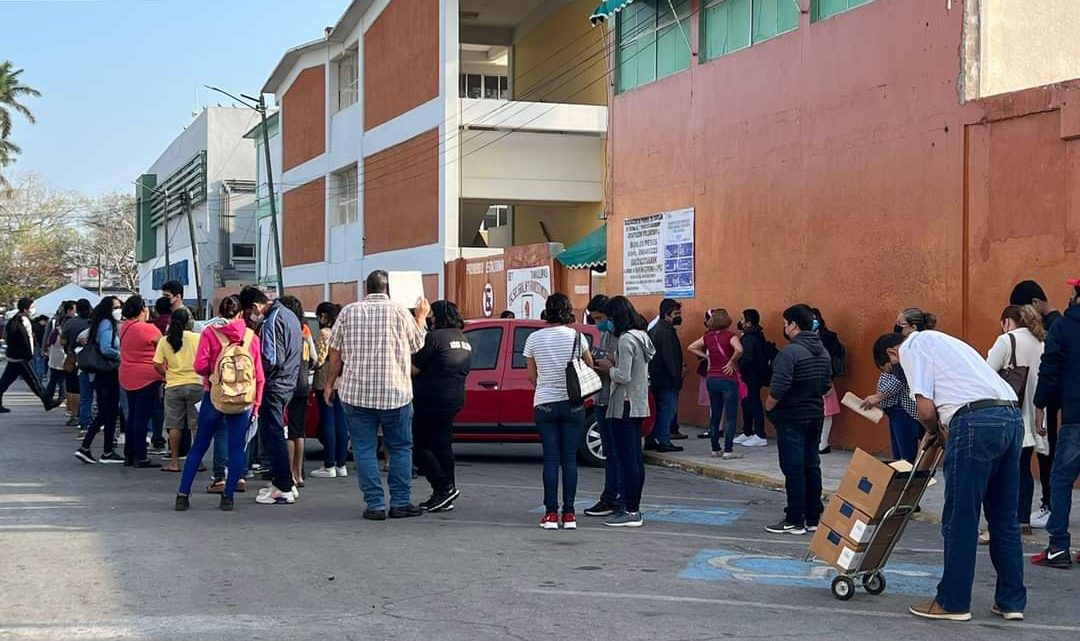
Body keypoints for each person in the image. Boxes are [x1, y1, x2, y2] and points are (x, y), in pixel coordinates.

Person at [873, 326, 1025, 622]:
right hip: (1010, 416)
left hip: (973, 422)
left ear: (892, 353)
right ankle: (1011, 602)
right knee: (1004, 519)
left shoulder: (911, 348)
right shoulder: (945, 342)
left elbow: (926, 411)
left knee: (960, 518)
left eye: (890, 369)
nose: (896, 374)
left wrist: (933, 432)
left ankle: (952, 602)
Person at [325, 271, 428, 519]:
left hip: (356, 392)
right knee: (401, 447)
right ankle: (400, 502)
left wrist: (330, 383)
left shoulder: (349, 312)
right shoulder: (401, 312)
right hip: (396, 393)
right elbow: (418, 346)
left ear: (366, 288)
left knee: (363, 448)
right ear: (388, 289)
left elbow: (335, 352)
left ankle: (375, 505)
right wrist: (421, 318)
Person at [174, 298, 266, 512]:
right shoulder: (251, 337)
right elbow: (259, 375)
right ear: (240, 314)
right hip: (242, 398)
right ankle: (228, 496)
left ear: (219, 312)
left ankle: (183, 494)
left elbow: (200, 366)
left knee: (199, 447)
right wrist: (257, 404)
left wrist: (215, 375)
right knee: (236, 448)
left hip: (214, 396)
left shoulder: (210, 333)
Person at [524, 293, 592, 530]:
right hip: (572, 403)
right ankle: (570, 514)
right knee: (569, 459)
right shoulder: (577, 337)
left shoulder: (534, 338)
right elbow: (589, 366)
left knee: (551, 459)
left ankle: (551, 514)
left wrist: (546, 385)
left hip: (545, 402)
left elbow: (531, 375)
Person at [764, 304, 831, 536]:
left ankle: (794, 518)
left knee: (793, 468)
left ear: (793, 325)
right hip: (815, 413)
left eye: (785, 324)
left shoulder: (790, 353)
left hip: (792, 416)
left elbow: (779, 386)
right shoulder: (823, 352)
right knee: (811, 465)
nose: (785, 328)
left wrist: (769, 407)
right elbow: (826, 385)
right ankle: (813, 516)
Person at [1031, 278, 1080, 569]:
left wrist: (1040, 405)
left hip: (1075, 415)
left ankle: (1059, 547)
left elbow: (1049, 368)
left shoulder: (1063, 327)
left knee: (1061, 480)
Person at [984, 305, 1045, 539]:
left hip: (1009, 414)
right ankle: (1022, 520)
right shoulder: (1040, 341)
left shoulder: (1006, 340)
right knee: (1024, 470)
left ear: (1007, 321)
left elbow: (987, 373)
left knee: (1003, 472)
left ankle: (1000, 524)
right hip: (1035, 414)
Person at [594, 296, 654, 527]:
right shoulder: (642, 337)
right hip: (638, 403)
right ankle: (633, 506)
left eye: (608, 318)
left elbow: (623, 376)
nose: (607, 323)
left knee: (627, 458)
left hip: (624, 404)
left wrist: (610, 368)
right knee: (635, 459)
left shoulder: (626, 339)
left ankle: (631, 509)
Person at [240, 287, 302, 505]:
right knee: (276, 434)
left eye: (249, 313)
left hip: (275, 386)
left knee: (273, 435)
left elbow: (273, 358)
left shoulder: (272, 320)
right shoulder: (289, 315)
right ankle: (285, 482)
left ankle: (282, 485)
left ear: (256, 306)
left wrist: (256, 376)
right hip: (289, 382)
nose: (251, 318)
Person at [1010, 280, 1062, 530]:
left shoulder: (1052, 328)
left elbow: (1050, 370)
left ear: (1035, 304)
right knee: (1044, 451)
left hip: (1051, 401)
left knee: (1047, 452)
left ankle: (1049, 504)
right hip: (1051, 400)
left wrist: (1041, 402)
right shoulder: (1054, 325)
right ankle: (1048, 504)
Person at [412, 300, 472, 512]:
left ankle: (443, 487)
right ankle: (446, 494)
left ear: (436, 317)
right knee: (443, 446)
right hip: (453, 400)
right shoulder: (462, 338)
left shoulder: (435, 338)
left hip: (431, 400)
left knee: (419, 448)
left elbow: (413, 368)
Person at [584, 295, 624, 518]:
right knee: (610, 453)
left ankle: (617, 498)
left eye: (599, 318)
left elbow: (623, 369)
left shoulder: (624, 337)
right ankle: (609, 496)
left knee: (617, 454)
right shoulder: (605, 333)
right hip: (601, 397)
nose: (597, 323)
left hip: (614, 400)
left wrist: (607, 366)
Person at [154, 307, 206, 474]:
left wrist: (166, 374)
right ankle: (198, 461)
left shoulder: (165, 341)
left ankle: (174, 461)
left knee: (174, 426)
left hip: (173, 385)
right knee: (195, 426)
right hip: (196, 384)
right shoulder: (198, 338)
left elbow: (156, 363)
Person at [74, 297, 124, 464]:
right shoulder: (107, 324)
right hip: (107, 372)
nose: (119, 310)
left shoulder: (99, 323)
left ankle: (105, 450)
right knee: (107, 412)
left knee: (108, 413)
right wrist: (120, 355)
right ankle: (90, 447)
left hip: (101, 373)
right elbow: (106, 348)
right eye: (116, 307)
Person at [689, 308, 744, 459]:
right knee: (731, 416)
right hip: (727, 378)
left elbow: (691, 347)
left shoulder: (707, 336)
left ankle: (715, 448)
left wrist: (707, 358)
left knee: (716, 415)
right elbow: (739, 350)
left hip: (711, 378)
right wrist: (732, 362)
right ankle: (728, 450)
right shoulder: (730, 336)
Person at [117, 296, 164, 467]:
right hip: (147, 376)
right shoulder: (148, 329)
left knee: (132, 416)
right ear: (143, 309)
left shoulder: (124, 327)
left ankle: (129, 454)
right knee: (142, 417)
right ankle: (140, 455)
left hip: (127, 374)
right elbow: (163, 349)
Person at [279, 295, 314, 488]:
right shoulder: (305, 331)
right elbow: (315, 359)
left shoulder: (284, 329)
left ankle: (289, 474)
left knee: (287, 432)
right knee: (299, 431)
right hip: (303, 385)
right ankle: (298, 473)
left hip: (287, 384)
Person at [310, 302, 349, 479]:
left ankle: (329, 464)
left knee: (327, 422)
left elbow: (319, 359)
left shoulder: (325, 333)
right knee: (341, 423)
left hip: (324, 381)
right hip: (342, 382)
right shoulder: (344, 332)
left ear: (325, 316)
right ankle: (342, 464)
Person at [0, 297, 58, 413]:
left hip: (15, 356)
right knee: (34, 380)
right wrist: (27, 354)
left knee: (5, 382)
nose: (33, 309)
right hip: (21, 357)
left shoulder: (16, 320)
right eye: (32, 307)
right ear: (26, 309)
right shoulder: (22, 321)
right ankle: (48, 401)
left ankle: (47, 401)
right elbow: (24, 339)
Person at [646, 298, 685, 453]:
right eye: (676, 313)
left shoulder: (655, 329)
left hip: (655, 378)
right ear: (666, 314)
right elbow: (671, 359)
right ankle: (664, 441)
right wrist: (677, 379)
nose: (678, 316)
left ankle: (651, 439)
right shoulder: (666, 332)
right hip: (666, 379)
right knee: (667, 411)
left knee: (657, 411)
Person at [735, 309, 770, 447]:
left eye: (742, 319)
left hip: (751, 375)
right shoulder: (756, 335)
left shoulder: (750, 338)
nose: (741, 322)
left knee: (753, 402)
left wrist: (739, 368)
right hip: (752, 375)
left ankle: (760, 434)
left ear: (748, 323)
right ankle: (748, 431)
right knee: (746, 402)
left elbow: (748, 358)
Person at [812, 308, 845, 454]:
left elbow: (833, 359)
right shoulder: (802, 337)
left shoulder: (827, 337)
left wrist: (829, 379)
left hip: (824, 377)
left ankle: (823, 442)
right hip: (810, 378)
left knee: (826, 411)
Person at [62, 299, 93, 431]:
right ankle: (88, 416)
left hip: (74, 357)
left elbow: (62, 341)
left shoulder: (70, 322)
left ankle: (75, 415)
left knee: (74, 389)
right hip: (92, 359)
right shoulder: (94, 323)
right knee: (90, 392)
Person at [43, 302, 74, 415]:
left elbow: (48, 339)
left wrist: (45, 349)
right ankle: (60, 397)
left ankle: (51, 397)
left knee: (56, 378)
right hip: (62, 356)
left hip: (55, 356)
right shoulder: (62, 327)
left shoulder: (55, 325)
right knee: (62, 378)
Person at [31, 313, 48, 381]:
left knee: (34, 361)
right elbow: (41, 337)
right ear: (43, 320)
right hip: (38, 346)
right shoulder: (39, 327)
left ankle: (34, 375)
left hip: (33, 345)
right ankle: (40, 375)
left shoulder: (33, 325)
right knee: (40, 361)